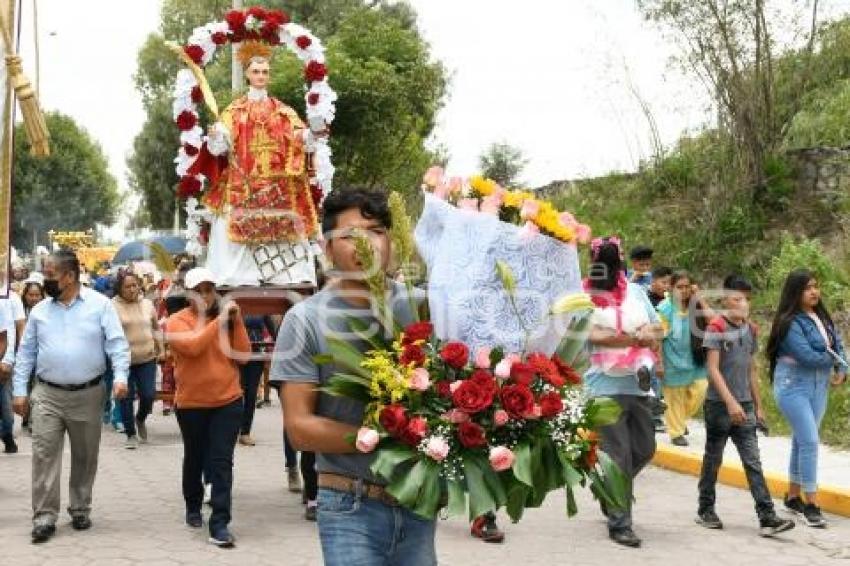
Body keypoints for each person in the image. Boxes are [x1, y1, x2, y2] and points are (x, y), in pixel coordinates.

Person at [271, 189, 435, 565]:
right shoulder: (305, 320)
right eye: (350, 235)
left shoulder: (422, 306)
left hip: (418, 500)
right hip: (349, 504)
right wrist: (389, 432)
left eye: (376, 230)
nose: (366, 243)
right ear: (327, 249)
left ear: (394, 241)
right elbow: (299, 428)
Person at [11, 250, 130, 544]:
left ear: (70, 276)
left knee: (85, 455)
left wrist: (120, 377)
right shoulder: (39, 312)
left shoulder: (100, 306)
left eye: (51, 275)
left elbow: (117, 344)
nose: (45, 280)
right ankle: (44, 516)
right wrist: (18, 391)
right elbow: (26, 354)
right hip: (47, 394)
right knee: (44, 455)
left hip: (88, 394)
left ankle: (79, 508)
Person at [201, 39, 323, 287]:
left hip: (275, 185)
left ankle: (287, 274)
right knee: (230, 223)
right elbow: (221, 147)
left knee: (286, 226)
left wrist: (312, 134)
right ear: (247, 74)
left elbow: (299, 137)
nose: (261, 76)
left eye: (265, 72)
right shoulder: (234, 112)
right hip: (244, 184)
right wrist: (216, 136)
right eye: (256, 71)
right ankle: (240, 276)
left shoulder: (283, 111)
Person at [696, 274, 795, 537]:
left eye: (747, 300)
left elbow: (752, 370)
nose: (743, 304)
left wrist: (758, 406)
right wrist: (730, 403)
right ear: (726, 299)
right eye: (737, 299)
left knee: (753, 461)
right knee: (713, 459)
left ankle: (767, 517)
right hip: (719, 407)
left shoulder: (751, 329)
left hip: (746, 406)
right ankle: (705, 509)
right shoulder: (716, 327)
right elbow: (713, 370)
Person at [583, 236, 661, 548]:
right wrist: (631, 339)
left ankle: (607, 486)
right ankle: (620, 522)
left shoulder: (638, 291)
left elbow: (658, 327)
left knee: (644, 449)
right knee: (618, 455)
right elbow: (590, 334)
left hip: (638, 386)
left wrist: (649, 333)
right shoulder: (584, 294)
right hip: (603, 387)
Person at [165, 267, 250, 548]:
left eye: (209, 289)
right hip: (192, 404)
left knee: (221, 461)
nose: (205, 295)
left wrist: (235, 322)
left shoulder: (227, 319)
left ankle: (220, 523)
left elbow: (245, 356)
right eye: (198, 291)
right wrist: (220, 321)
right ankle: (192, 503)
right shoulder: (176, 321)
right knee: (196, 457)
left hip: (228, 400)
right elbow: (193, 347)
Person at [765, 269, 847, 528]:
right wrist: (835, 359)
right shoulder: (789, 323)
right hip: (793, 386)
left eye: (816, 286)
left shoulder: (821, 316)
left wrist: (842, 368)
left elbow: (838, 343)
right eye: (807, 288)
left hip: (818, 385)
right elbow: (808, 356)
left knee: (802, 441)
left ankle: (792, 497)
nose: (814, 292)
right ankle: (811, 503)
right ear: (795, 292)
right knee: (810, 441)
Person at [656, 271, 711, 446]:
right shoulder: (665, 309)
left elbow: (713, 320)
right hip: (672, 361)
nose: (684, 290)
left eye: (687, 286)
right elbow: (658, 338)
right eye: (680, 287)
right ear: (671, 288)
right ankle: (676, 432)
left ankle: (679, 419)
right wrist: (659, 363)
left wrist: (699, 297)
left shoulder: (695, 306)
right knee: (674, 398)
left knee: (700, 390)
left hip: (695, 358)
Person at [112, 272, 164, 449]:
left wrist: (162, 349)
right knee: (125, 397)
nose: (132, 289)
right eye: (127, 286)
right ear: (119, 288)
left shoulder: (147, 304)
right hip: (123, 361)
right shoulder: (112, 306)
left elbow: (156, 329)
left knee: (148, 395)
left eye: (135, 285)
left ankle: (140, 418)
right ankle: (130, 434)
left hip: (147, 358)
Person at [238, 315, 276, 446]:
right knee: (236, 393)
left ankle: (245, 432)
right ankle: (233, 429)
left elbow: (273, 331)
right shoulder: (235, 303)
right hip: (236, 354)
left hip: (256, 354)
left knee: (251, 393)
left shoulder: (261, 307)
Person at [19, 281, 45, 433]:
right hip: (24, 356)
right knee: (26, 386)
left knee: (37, 388)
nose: (34, 298)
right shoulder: (20, 311)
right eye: (31, 295)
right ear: (25, 296)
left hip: (42, 356)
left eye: (37, 295)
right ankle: (26, 416)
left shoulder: (47, 311)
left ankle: (34, 421)